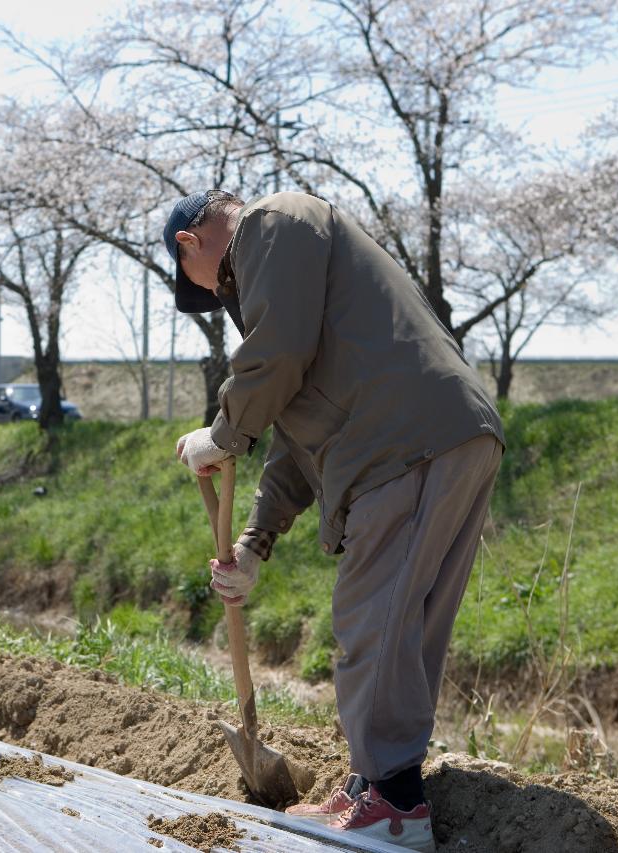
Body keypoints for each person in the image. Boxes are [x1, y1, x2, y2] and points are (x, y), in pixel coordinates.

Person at [166, 190, 505, 851]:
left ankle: (395, 804)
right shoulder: (299, 266)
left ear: (190, 247)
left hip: (402, 440)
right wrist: (255, 541)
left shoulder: (274, 220)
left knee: (371, 619)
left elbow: (278, 353)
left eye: (205, 289)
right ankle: (374, 784)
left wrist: (225, 432)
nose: (223, 300)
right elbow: (297, 434)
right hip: (449, 433)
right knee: (404, 627)